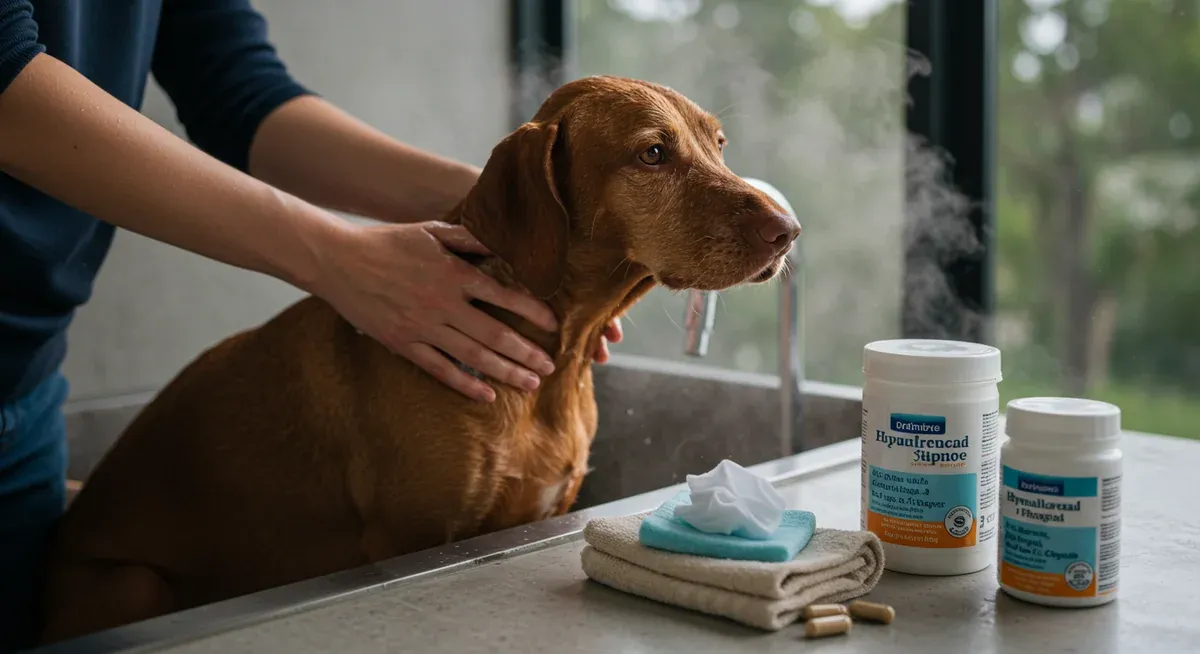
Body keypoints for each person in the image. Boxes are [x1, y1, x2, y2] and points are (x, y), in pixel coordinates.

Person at [0, 0, 622, 648]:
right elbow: (7, 85)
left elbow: (239, 91)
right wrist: (333, 256)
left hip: (28, 392)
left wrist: (511, 209)